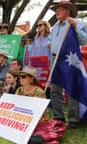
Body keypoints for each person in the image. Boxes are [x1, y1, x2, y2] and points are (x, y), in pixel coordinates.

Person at [50, 1, 87, 129]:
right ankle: (58, 117)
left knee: (72, 88)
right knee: (55, 89)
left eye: (60, 9)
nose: (57, 12)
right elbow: (51, 41)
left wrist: (76, 26)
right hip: (55, 59)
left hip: (69, 59)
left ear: (68, 11)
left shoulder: (76, 23)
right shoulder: (54, 26)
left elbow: (84, 40)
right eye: (56, 10)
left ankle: (73, 119)